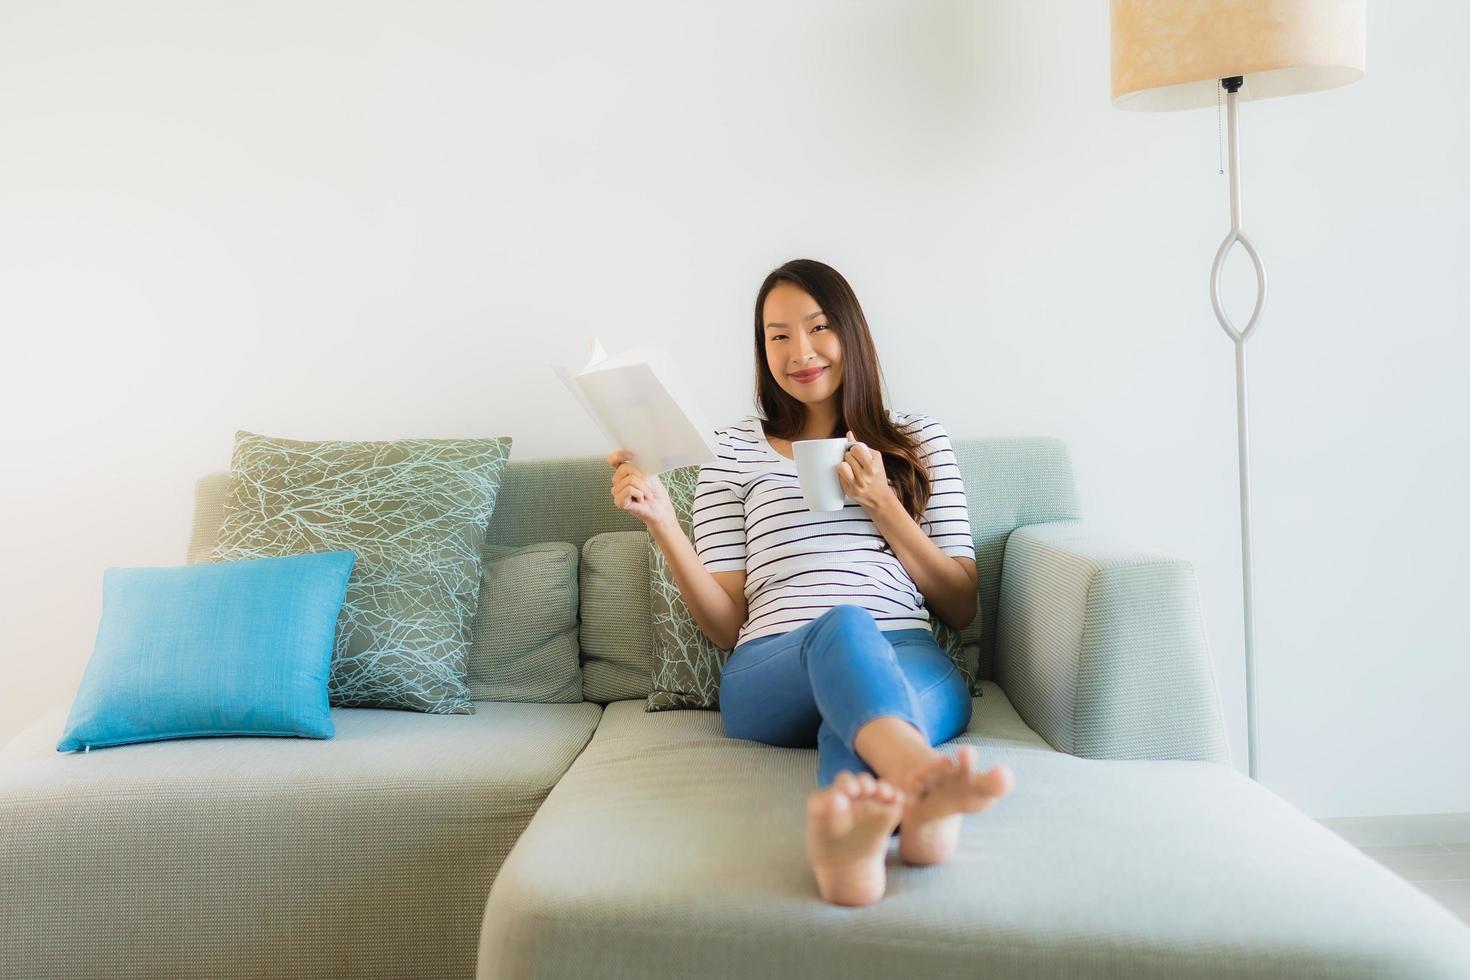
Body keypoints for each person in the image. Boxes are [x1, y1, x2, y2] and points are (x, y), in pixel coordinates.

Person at [604, 258, 1014, 907]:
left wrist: (883, 503)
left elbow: (960, 605)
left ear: (851, 333)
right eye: (778, 335)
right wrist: (662, 523)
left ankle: (858, 841)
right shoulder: (730, 452)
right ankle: (920, 782)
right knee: (846, 626)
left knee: (855, 712)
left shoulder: (918, 441)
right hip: (773, 665)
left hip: (905, 652)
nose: (800, 351)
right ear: (761, 348)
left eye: (818, 328)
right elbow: (724, 625)